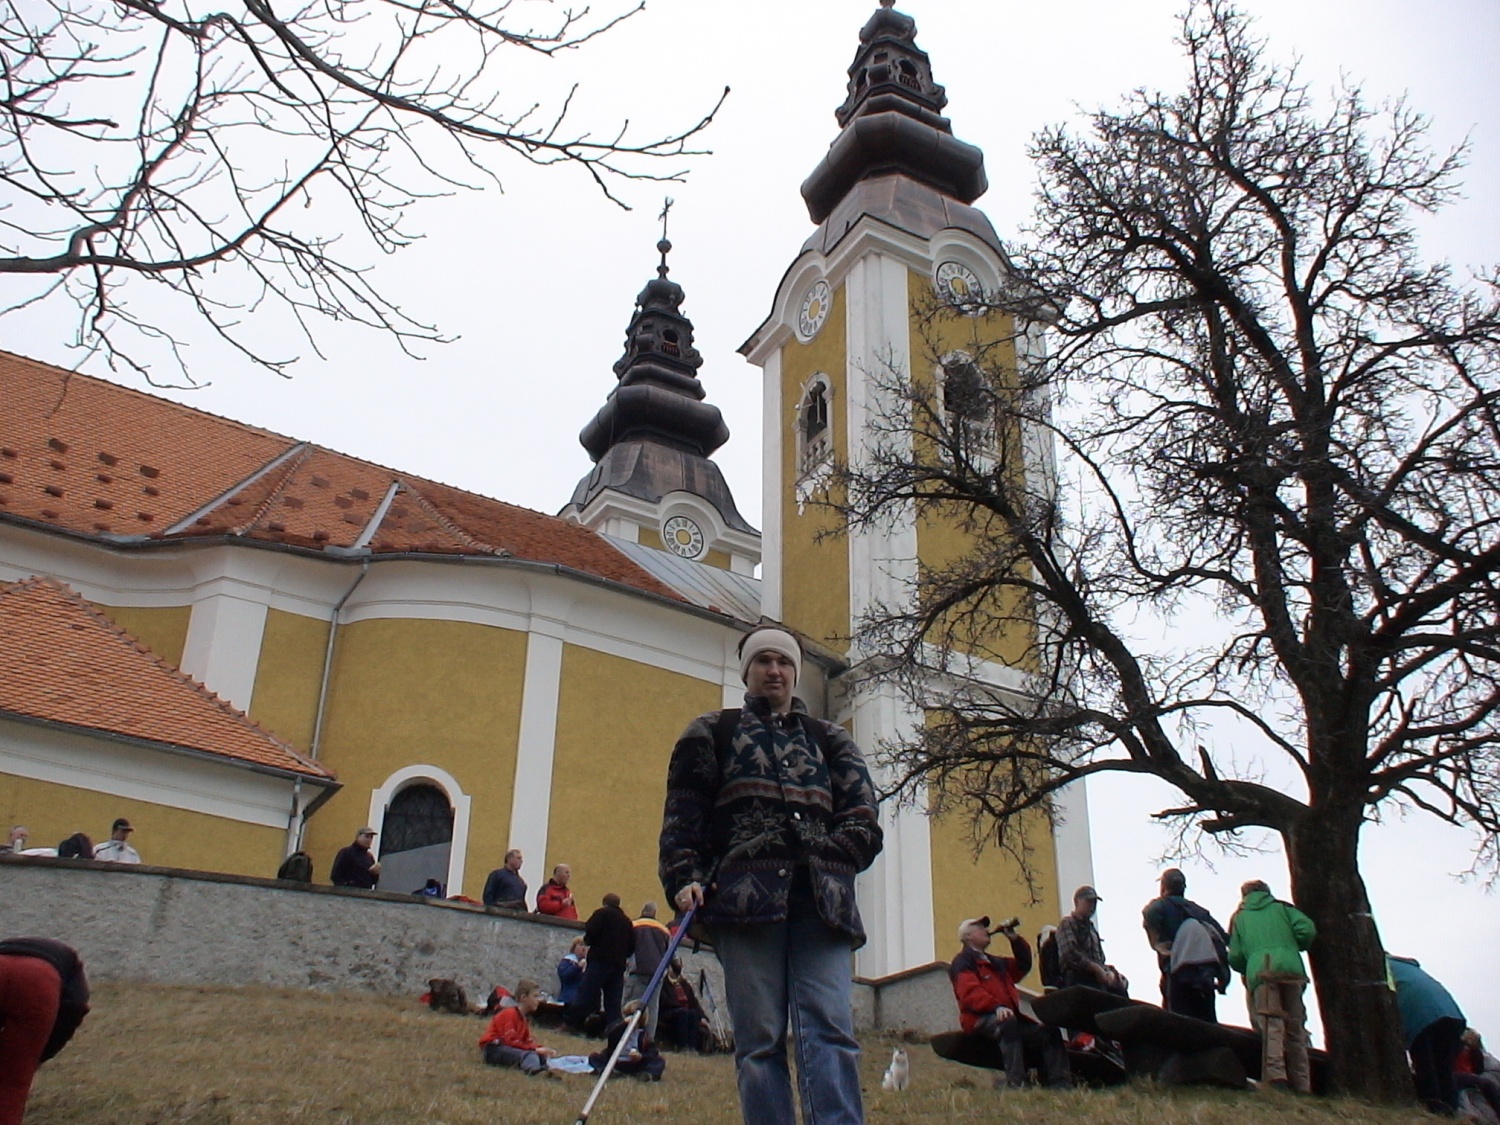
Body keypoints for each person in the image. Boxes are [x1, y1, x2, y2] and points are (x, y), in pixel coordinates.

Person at [660, 624, 883, 1125]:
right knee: (759, 1040)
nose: (774, 671)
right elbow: (683, 818)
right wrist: (683, 878)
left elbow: (864, 818)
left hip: (821, 902)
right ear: (748, 672)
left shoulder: (831, 740)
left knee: (829, 1028)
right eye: (763, 662)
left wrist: (831, 855)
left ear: (796, 673)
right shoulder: (711, 732)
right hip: (744, 902)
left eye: (783, 663)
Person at [950, 916, 1071, 1089]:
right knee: (1008, 1023)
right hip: (980, 1019)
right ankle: (1016, 1083)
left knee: (1048, 1031)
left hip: (1006, 1016)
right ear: (967, 936)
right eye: (979, 927)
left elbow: (1023, 965)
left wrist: (1014, 939)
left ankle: (1060, 1084)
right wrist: (996, 1007)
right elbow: (969, 993)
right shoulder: (963, 962)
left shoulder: (995, 962)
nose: (986, 930)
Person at [1226, 879, 1316, 1095]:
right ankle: (1303, 1083)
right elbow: (1307, 929)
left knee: (1272, 1025)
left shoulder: (1240, 917)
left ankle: (1277, 1078)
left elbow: (1235, 955)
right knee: (1296, 1027)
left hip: (1262, 971)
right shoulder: (1283, 909)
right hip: (1292, 969)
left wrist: (1248, 964)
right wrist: (1296, 945)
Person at [0, 937, 91, 1125]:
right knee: (11, 1085)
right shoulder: (73, 970)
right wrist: (40, 1055)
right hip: (39, 981)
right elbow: (74, 1006)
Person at [1141, 868, 1230, 1021]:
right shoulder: (1201, 913)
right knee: (1208, 1025)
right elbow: (1222, 940)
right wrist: (1223, 976)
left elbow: (1150, 919)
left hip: (1175, 976)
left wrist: (1166, 948)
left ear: (1164, 886)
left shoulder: (1158, 907)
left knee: (1178, 1025)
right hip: (1205, 979)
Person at [1388, 954, 1466, 1115]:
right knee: (1444, 1067)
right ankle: (1451, 1111)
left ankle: (1433, 1107)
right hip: (1450, 1012)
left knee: (1425, 1064)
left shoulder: (1380, 965)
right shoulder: (1407, 967)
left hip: (1420, 1015)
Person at [567, 892, 633, 1033]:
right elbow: (631, 946)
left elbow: (590, 933)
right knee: (613, 1001)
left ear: (604, 903)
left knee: (586, 992)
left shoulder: (601, 914)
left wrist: (590, 942)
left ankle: (571, 1024)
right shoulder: (627, 922)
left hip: (600, 961)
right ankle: (614, 1030)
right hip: (618, 965)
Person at [1056, 885, 1128, 996]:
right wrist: (1095, 969)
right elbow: (1069, 954)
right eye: (1088, 901)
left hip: (1096, 982)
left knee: (1120, 993)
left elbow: (1101, 960)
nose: (1092, 906)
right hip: (1078, 981)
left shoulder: (1092, 930)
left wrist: (1114, 975)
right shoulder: (1068, 923)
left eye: (1094, 902)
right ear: (1077, 902)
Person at [478, 979, 557, 1076]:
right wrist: (534, 1050)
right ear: (524, 997)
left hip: (506, 1048)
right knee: (529, 1055)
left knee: (538, 1055)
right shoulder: (510, 1013)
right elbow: (510, 1041)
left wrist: (541, 1049)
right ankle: (535, 1071)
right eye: (535, 996)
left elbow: (526, 1041)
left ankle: (544, 1070)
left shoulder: (523, 1019)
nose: (538, 1000)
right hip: (494, 1049)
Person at [589, 1001, 665, 1081]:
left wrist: (641, 1056)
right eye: (629, 1015)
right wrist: (623, 1024)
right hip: (616, 1061)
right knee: (595, 1057)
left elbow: (652, 1051)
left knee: (659, 1061)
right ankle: (606, 1071)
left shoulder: (644, 1035)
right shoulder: (618, 1029)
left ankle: (647, 1075)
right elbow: (610, 1037)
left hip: (635, 1064)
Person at [626, 902, 670, 1037]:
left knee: (631, 1004)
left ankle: (628, 1035)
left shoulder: (634, 925)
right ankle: (648, 1038)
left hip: (638, 970)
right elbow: (670, 953)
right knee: (652, 1007)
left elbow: (627, 948)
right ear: (655, 912)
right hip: (657, 974)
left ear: (643, 910)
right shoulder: (664, 930)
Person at [658, 958, 711, 1053]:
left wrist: (702, 1016)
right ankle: (683, 1046)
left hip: (685, 1012)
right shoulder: (664, 983)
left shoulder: (684, 984)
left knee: (694, 1013)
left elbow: (694, 1002)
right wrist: (679, 1006)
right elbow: (664, 1001)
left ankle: (692, 1047)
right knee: (684, 1013)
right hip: (669, 1013)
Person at [1456, 1028, 1500, 1122]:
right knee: (1487, 1084)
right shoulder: (1451, 1043)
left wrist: (1474, 1048)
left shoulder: (1474, 1051)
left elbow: (1479, 1068)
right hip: (1455, 1076)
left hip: (1469, 1077)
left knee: (1488, 1084)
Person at [556, 937, 588, 1009]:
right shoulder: (567, 961)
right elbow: (564, 976)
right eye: (581, 945)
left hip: (584, 1002)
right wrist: (578, 966)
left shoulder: (590, 964)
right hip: (568, 999)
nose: (583, 948)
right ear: (574, 948)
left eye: (585, 945)